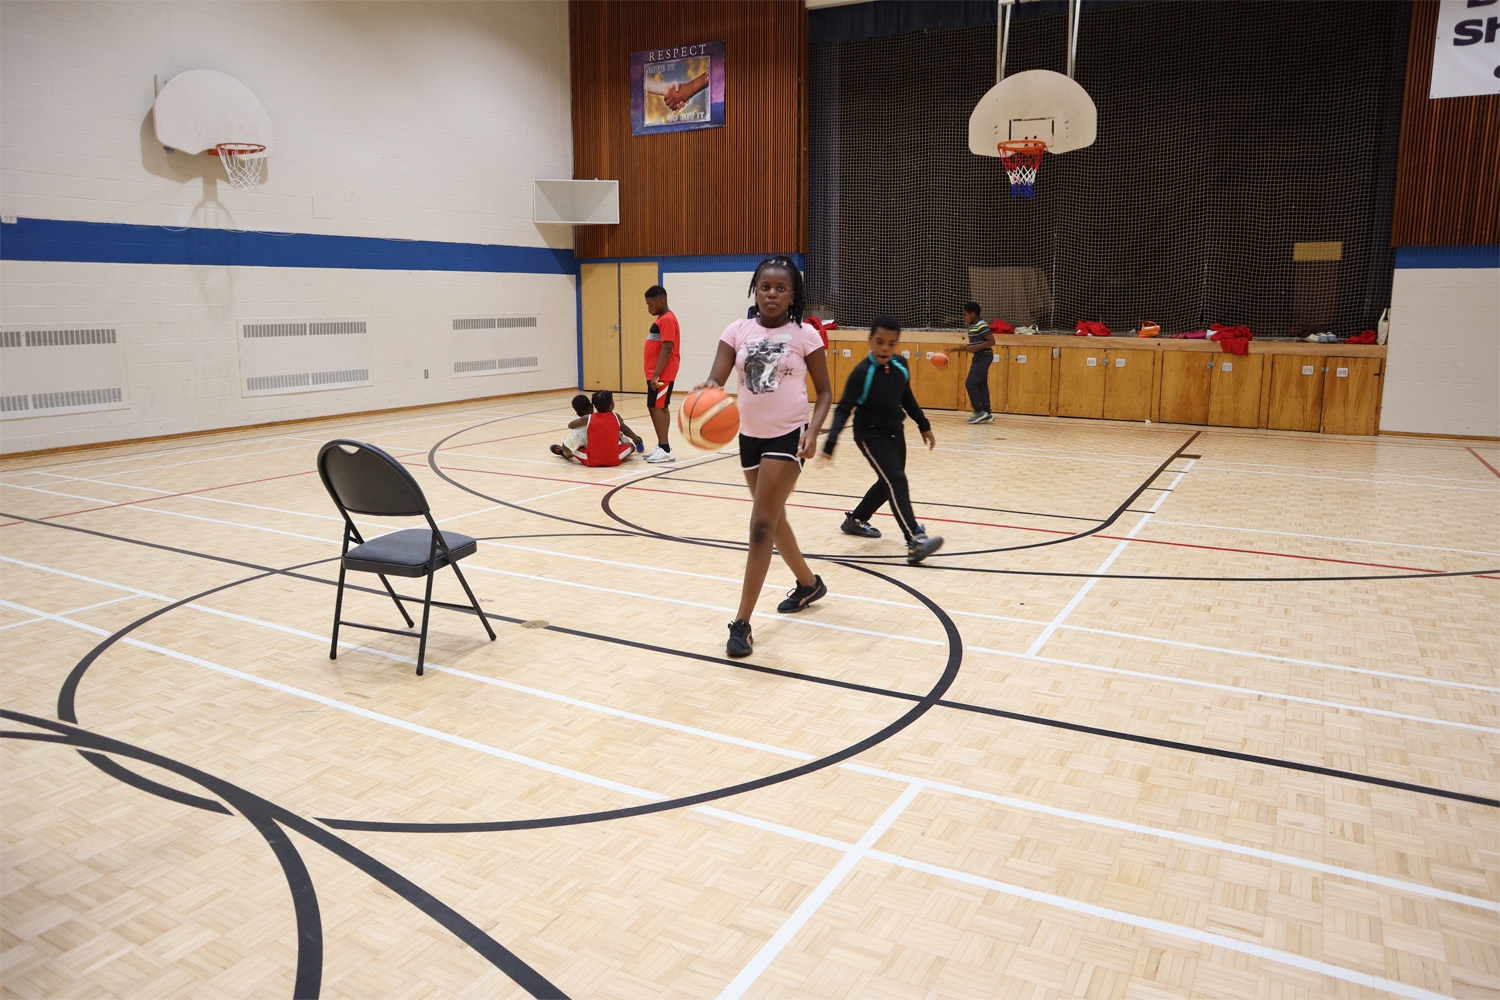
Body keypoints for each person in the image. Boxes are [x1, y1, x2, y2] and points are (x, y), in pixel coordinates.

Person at [694, 256, 832, 658]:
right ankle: (809, 584)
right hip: (749, 437)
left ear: (793, 295)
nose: (772, 294)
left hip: (789, 437)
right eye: (765, 287)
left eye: (781, 288)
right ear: (755, 290)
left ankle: (742, 623)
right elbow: (718, 377)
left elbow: (825, 391)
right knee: (775, 519)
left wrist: (813, 431)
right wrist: (707, 390)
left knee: (760, 525)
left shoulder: (806, 335)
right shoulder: (736, 330)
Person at [822, 316, 944, 565]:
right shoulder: (861, 373)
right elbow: (843, 409)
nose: (885, 348)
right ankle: (915, 539)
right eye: (879, 342)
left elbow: (906, 396)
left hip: (895, 431)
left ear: (897, 343)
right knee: (896, 480)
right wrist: (830, 442)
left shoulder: (900, 365)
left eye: (891, 343)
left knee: (888, 480)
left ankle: (856, 520)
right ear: (870, 340)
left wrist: (924, 425)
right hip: (869, 435)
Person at [551, 390, 642, 467]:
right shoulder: (616, 417)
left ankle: (563, 452)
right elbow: (625, 429)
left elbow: (570, 425)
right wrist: (637, 439)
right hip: (614, 460)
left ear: (594, 406)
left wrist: (581, 421)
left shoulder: (587, 418)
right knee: (631, 446)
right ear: (611, 405)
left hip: (591, 461)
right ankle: (623, 444)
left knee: (571, 449)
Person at [643, 284, 680, 463]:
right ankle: (662, 445)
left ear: (662, 302)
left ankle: (665, 449)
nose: (649, 308)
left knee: (657, 407)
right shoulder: (662, 319)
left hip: (662, 374)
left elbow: (667, 348)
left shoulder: (667, 319)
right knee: (657, 406)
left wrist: (656, 374)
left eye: (651, 305)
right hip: (656, 373)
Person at [959, 301, 996, 423]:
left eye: (965, 315)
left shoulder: (982, 325)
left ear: (972, 314)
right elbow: (972, 345)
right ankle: (987, 413)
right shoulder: (973, 326)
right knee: (981, 384)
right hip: (979, 356)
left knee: (970, 383)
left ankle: (979, 411)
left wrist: (974, 347)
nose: (964, 318)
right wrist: (952, 350)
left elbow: (991, 341)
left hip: (984, 356)